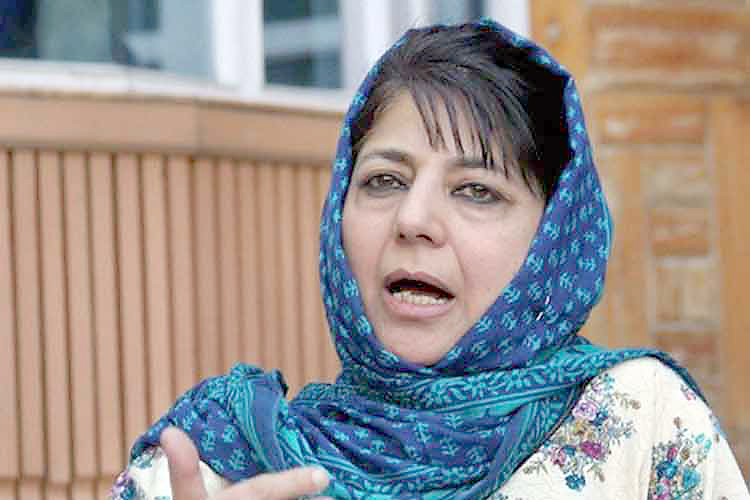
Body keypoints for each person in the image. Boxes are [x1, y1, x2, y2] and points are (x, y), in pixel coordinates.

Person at [110, 19, 750, 499]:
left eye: (476, 191)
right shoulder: (215, 460)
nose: (412, 219)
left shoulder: (639, 422)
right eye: (384, 181)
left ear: (552, 241)